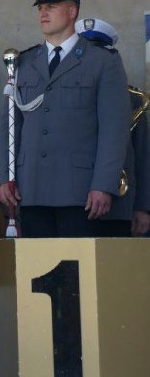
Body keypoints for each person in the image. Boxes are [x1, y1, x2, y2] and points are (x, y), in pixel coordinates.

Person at [0, 0, 131, 237]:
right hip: (30, 187)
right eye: (40, 7)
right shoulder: (23, 62)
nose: (43, 13)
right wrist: (5, 177)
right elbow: (9, 127)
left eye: (52, 6)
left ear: (72, 11)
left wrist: (104, 184)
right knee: (38, 273)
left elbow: (114, 131)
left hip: (80, 191)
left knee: (76, 273)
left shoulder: (102, 61)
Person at [72, 18, 150, 237]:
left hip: (119, 205)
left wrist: (142, 207)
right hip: (72, 203)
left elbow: (143, 157)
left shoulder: (133, 99)